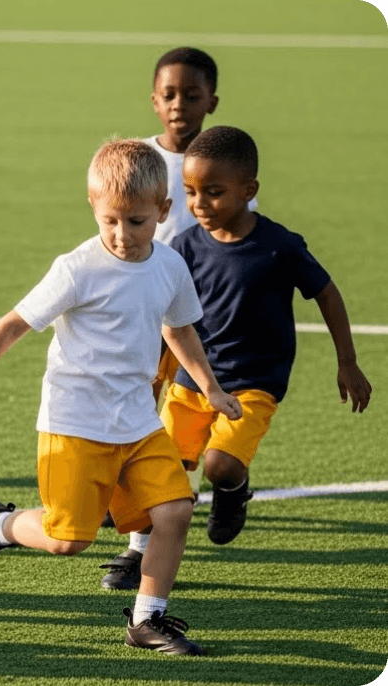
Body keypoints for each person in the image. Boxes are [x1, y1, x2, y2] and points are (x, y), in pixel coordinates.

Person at [0, 139, 242, 656]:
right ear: (93, 207)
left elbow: (179, 330)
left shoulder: (170, 266)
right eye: (110, 221)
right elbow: (14, 325)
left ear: (163, 210)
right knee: (67, 539)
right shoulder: (77, 268)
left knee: (175, 511)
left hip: (139, 424)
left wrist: (209, 387)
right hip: (75, 424)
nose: (122, 235)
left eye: (137, 221)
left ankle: (147, 620)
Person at [164, 125, 369, 546]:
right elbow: (167, 314)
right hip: (195, 377)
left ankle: (233, 489)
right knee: (162, 465)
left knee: (219, 465)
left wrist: (347, 363)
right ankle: (142, 548)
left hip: (254, 382)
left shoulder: (279, 246)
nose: (199, 203)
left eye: (214, 192)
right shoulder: (184, 246)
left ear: (248, 190)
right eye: (190, 192)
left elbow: (327, 294)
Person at [100, 47, 258, 588]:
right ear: (153, 99)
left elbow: (239, 248)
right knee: (135, 417)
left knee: (168, 437)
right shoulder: (138, 159)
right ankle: (130, 514)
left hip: (194, 325)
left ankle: (148, 538)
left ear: (211, 101)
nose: (179, 105)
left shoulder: (227, 169)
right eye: (169, 95)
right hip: (142, 317)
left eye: (191, 96)